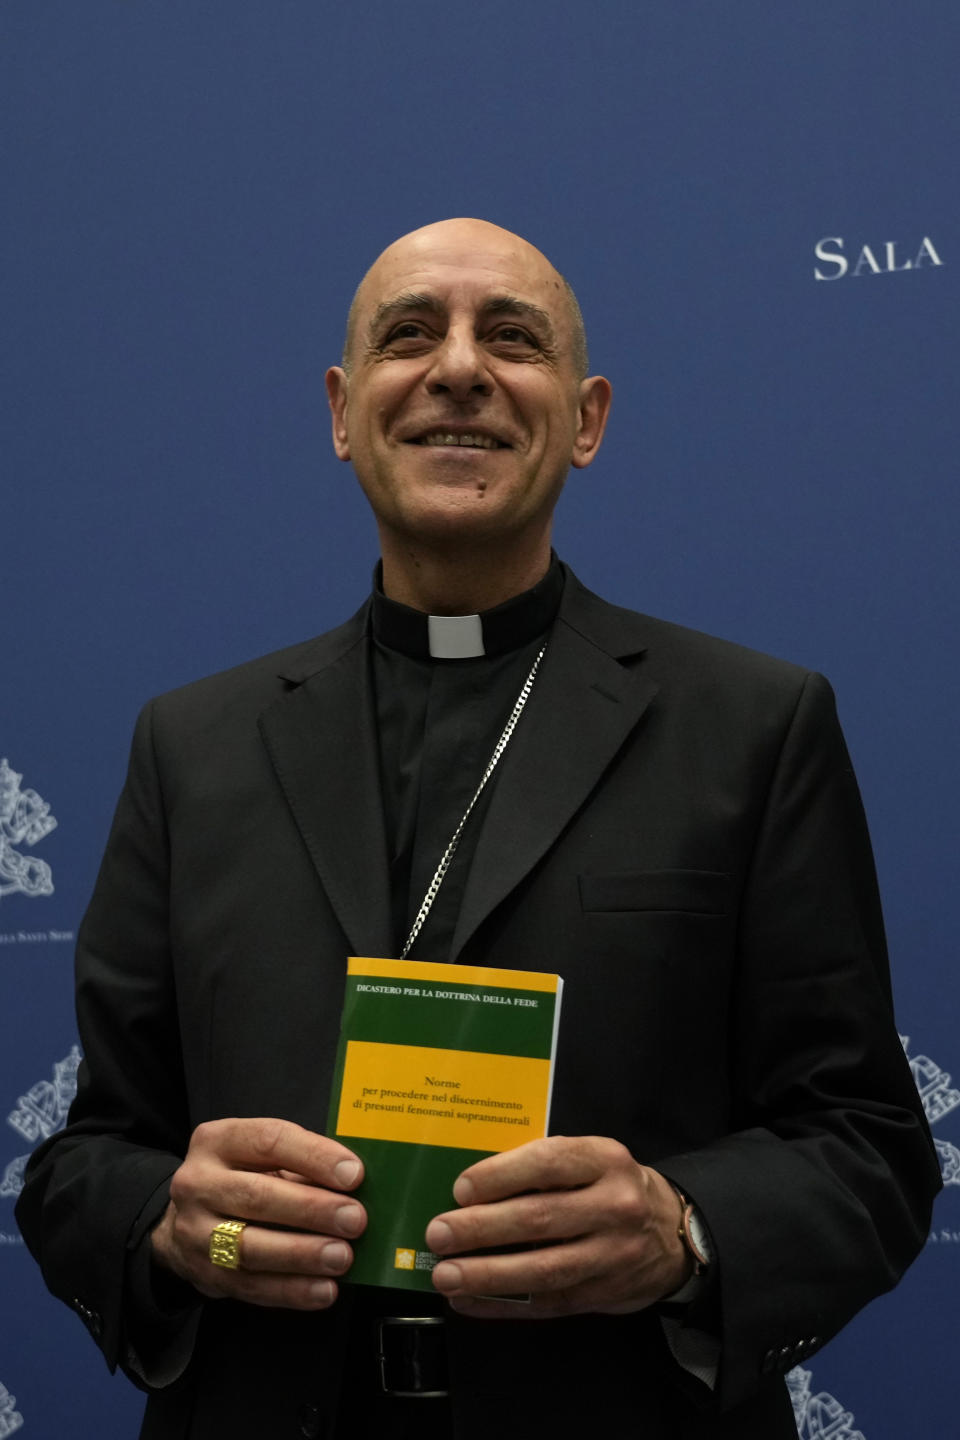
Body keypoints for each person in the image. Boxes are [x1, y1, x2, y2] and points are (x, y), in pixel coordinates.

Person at [18, 218, 940, 1440]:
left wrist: (683, 1228)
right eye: (411, 336)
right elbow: (85, 1162)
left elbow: (869, 1149)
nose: (459, 367)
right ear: (344, 413)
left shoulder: (754, 728)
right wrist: (177, 1225)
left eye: (514, 338)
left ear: (588, 416)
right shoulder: (192, 745)